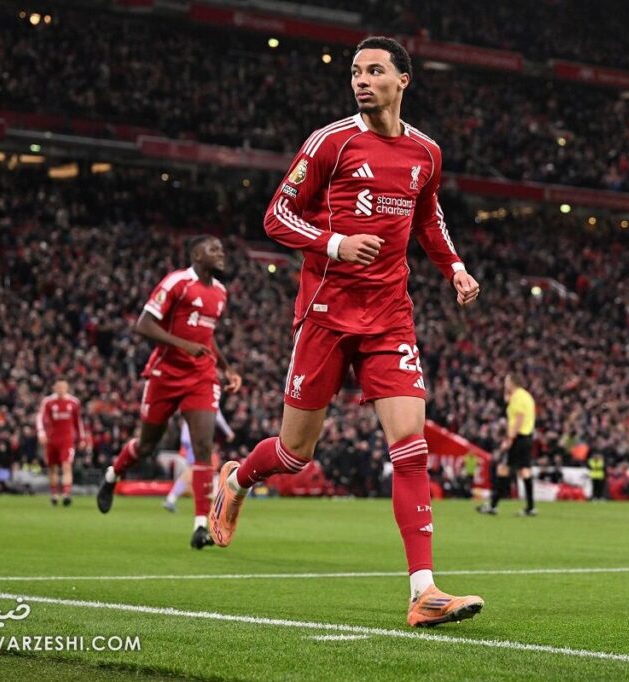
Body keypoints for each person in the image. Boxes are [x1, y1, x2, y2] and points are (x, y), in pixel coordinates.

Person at [209, 36, 483, 627]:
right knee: (294, 454)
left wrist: (455, 268)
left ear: (403, 79)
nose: (361, 80)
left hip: (390, 316)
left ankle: (424, 591)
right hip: (327, 314)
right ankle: (238, 477)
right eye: (356, 71)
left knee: (410, 447)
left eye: (375, 70)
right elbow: (276, 214)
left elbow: (429, 217)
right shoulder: (330, 142)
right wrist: (334, 243)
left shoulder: (426, 153)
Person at [97, 236, 243, 550]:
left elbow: (207, 337)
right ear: (196, 254)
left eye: (221, 249)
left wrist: (227, 368)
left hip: (201, 376)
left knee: (203, 447)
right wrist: (183, 345)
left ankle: (201, 526)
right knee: (147, 445)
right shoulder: (178, 282)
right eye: (213, 249)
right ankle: (112, 475)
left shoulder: (220, 292)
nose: (220, 253)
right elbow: (143, 324)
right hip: (165, 374)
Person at [478, 374, 537, 516]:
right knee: (524, 470)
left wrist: (510, 438)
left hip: (518, 437)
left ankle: (493, 505)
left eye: (506, 382)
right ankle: (530, 507)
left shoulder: (517, 397)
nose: (505, 384)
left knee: (503, 468)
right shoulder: (526, 396)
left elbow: (519, 418)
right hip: (527, 436)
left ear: (512, 383)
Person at [163, 412, 234, 513]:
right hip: (196, 439)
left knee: (195, 470)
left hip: (189, 438)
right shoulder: (208, 402)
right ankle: (215, 499)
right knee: (199, 469)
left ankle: (172, 498)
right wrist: (228, 432)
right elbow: (218, 416)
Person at [37, 379, 85, 506]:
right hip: (51, 440)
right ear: (54, 387)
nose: (61, 389)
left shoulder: (74, 402)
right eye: (58, 386)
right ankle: (54, 494)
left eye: (63, 386)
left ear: (67, 387)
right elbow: (40, 418)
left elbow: (78, 422)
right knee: (52, 467)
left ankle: (66, 494)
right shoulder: (48, 402)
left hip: (67, 440)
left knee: (66, 466)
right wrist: (41, 433)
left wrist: (82, 438)